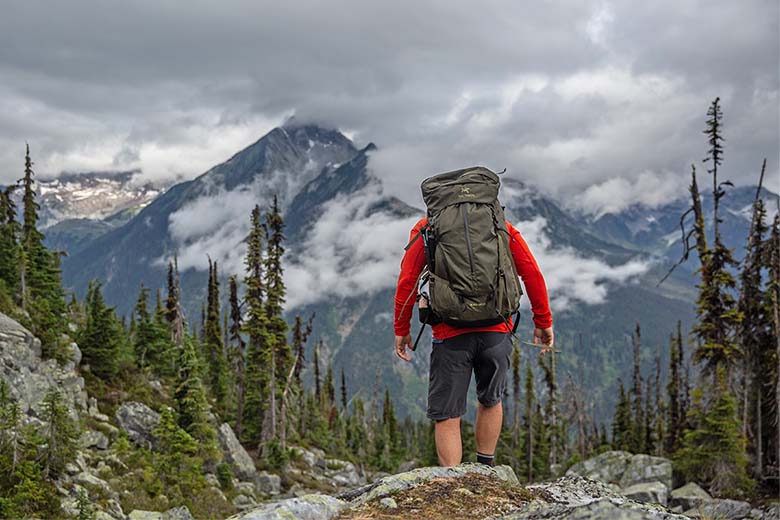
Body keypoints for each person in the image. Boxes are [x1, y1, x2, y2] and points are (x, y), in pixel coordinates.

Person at [393, 215, 554, 467]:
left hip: (449, 333)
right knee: (490, 400)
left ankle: (454, 484)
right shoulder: (499, 223)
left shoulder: (427, 227)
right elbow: (531, 272)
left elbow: (408, 279)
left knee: (447, 413)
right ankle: (485, 469)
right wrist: (543, 321)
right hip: (497, 328)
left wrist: (401, 328)